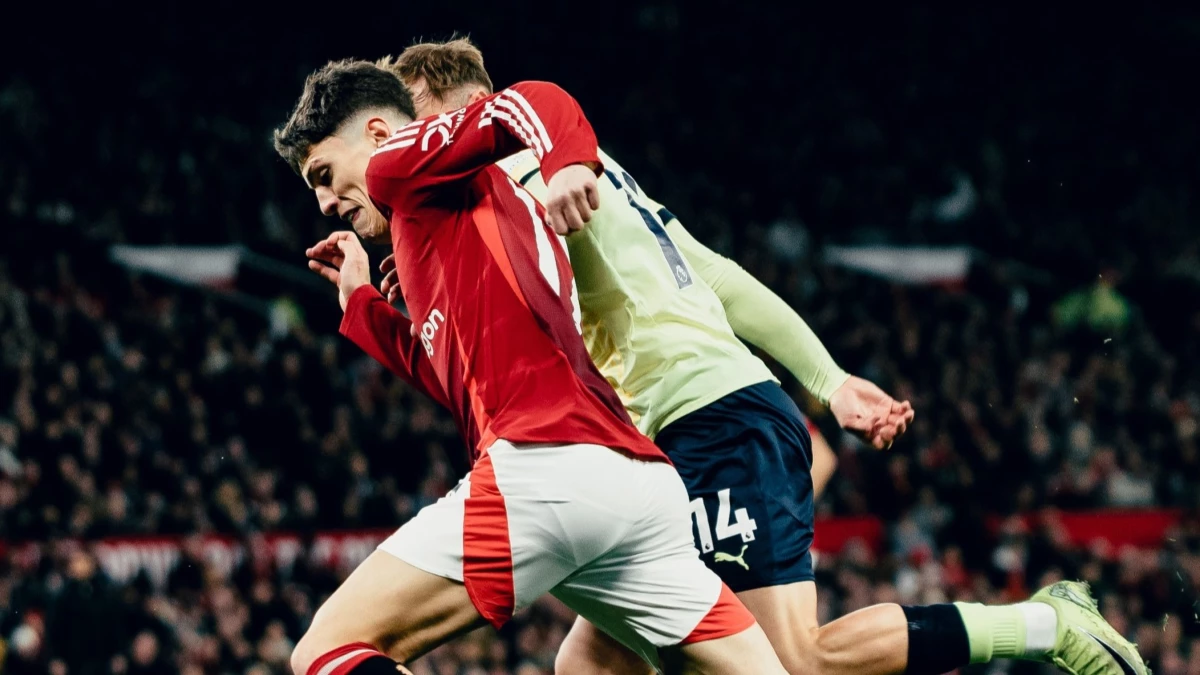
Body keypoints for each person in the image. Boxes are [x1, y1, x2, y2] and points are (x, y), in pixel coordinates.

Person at [376, 38, 1150, 675]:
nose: (401, 150)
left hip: (707, 421)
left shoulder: (508, 171)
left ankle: (1046, 623)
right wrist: (829, 379)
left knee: (793, 657)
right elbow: (714, 274)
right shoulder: (596, 168)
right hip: (671, 441)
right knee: (590, 667)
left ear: (450, 114)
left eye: (405, 123)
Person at [275, 59, 788, 675]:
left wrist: (569, 163)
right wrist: (363, 305)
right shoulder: (443, 222)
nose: (326, 203)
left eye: (324, 175)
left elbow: (529, 99)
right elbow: (454, 382)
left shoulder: (396, 167)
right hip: (636, 486)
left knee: (324, 651)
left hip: (547, 469)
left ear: (381, 134)